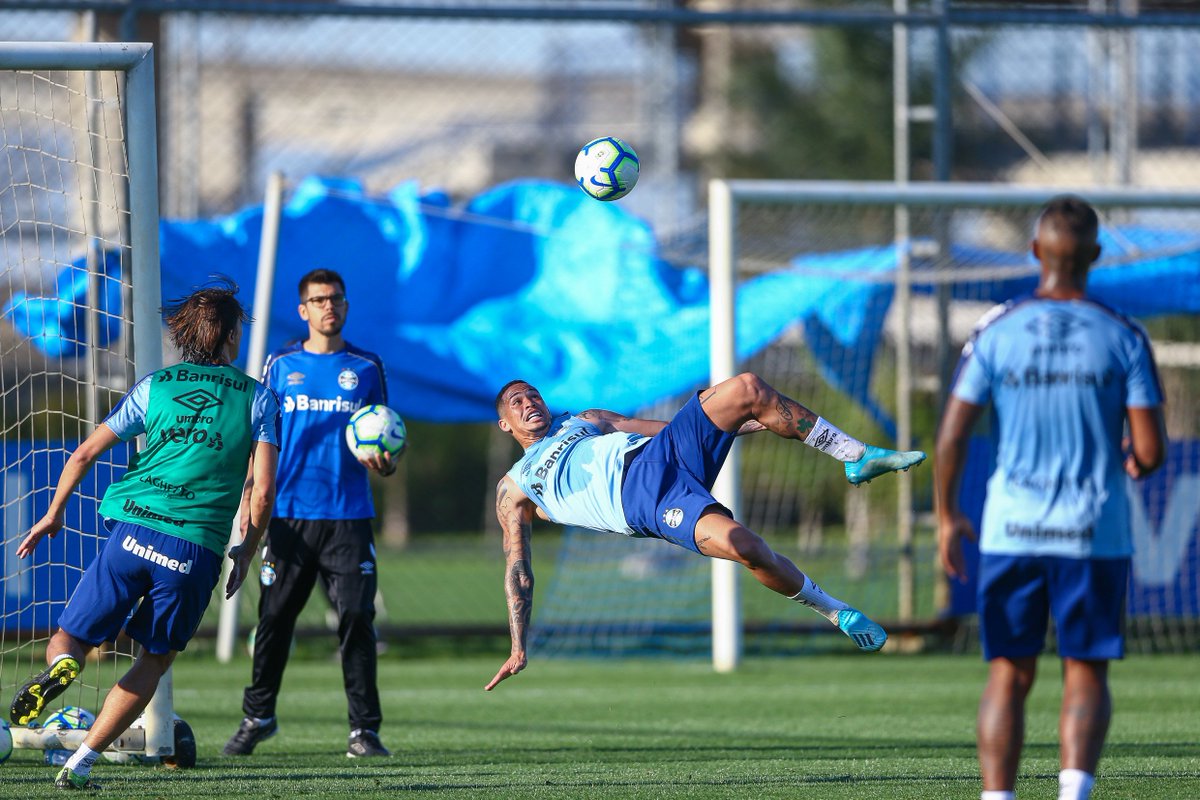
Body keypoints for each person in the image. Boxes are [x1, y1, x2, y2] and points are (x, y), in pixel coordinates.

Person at [485, 372, 927, 691]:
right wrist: (518, 644)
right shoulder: (515, 484)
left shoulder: (585, 419)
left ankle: (856, 455)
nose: (529, 404)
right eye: (517, 403)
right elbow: (518, 566)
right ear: (506, 424)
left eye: (533, 396)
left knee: (747, 388)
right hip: (647, 500)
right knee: (747, 546)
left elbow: (659, 429)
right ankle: (836, 611)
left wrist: (745, 419)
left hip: (665, 450)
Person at [935, 195, 1167, 800]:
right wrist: (1130, 457)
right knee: (1084, 668)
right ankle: (1073, 793)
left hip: (1012, 529)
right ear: (1095, 255)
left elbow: (953, 433)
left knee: (1008, 672)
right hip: (1093, 532)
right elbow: (1151, 451)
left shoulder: (996, 330)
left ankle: (997, 796)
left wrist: (946, 516)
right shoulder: (1124, 337)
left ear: (1036, 251)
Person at [8, 280, 280, 790]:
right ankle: (81, 761)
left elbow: (85, 452)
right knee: (153, 658)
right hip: (193, 547)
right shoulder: (258, 399)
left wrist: (52, 513)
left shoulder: (155, 387)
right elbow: (262, 493)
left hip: (131, 532)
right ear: (231, 337)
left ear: (185, 335)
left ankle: (64, 666)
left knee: (69, 637)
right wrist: (245, 549)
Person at [224, 268, 397, 759]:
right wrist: (248, 501)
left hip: (349, 516)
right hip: (289, 515)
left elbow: (385, 437)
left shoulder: (366, 367)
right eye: (319, 300)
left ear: (345, 306)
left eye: (336, 299)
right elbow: (259, 439)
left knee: (357, 617)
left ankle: (364, 731)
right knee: (275, 617)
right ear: (303, 310)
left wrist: (385, 463)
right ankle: (258, 716)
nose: (328, 307)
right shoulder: (280, 365)